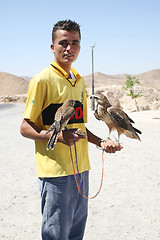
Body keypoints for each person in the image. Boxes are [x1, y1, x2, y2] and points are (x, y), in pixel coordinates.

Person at [20, 19, 123, 240]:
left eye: (75, 43)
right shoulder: (42, 80)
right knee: (56, 235)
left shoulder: (78, 81)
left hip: (81, 169)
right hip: (55, 173)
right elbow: (25, 127)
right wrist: (55, 137)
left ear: (80, 46)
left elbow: (80, 126)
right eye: (63, 42)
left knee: (76, 234)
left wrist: (102, 142)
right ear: (52, 46)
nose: (69, 48)